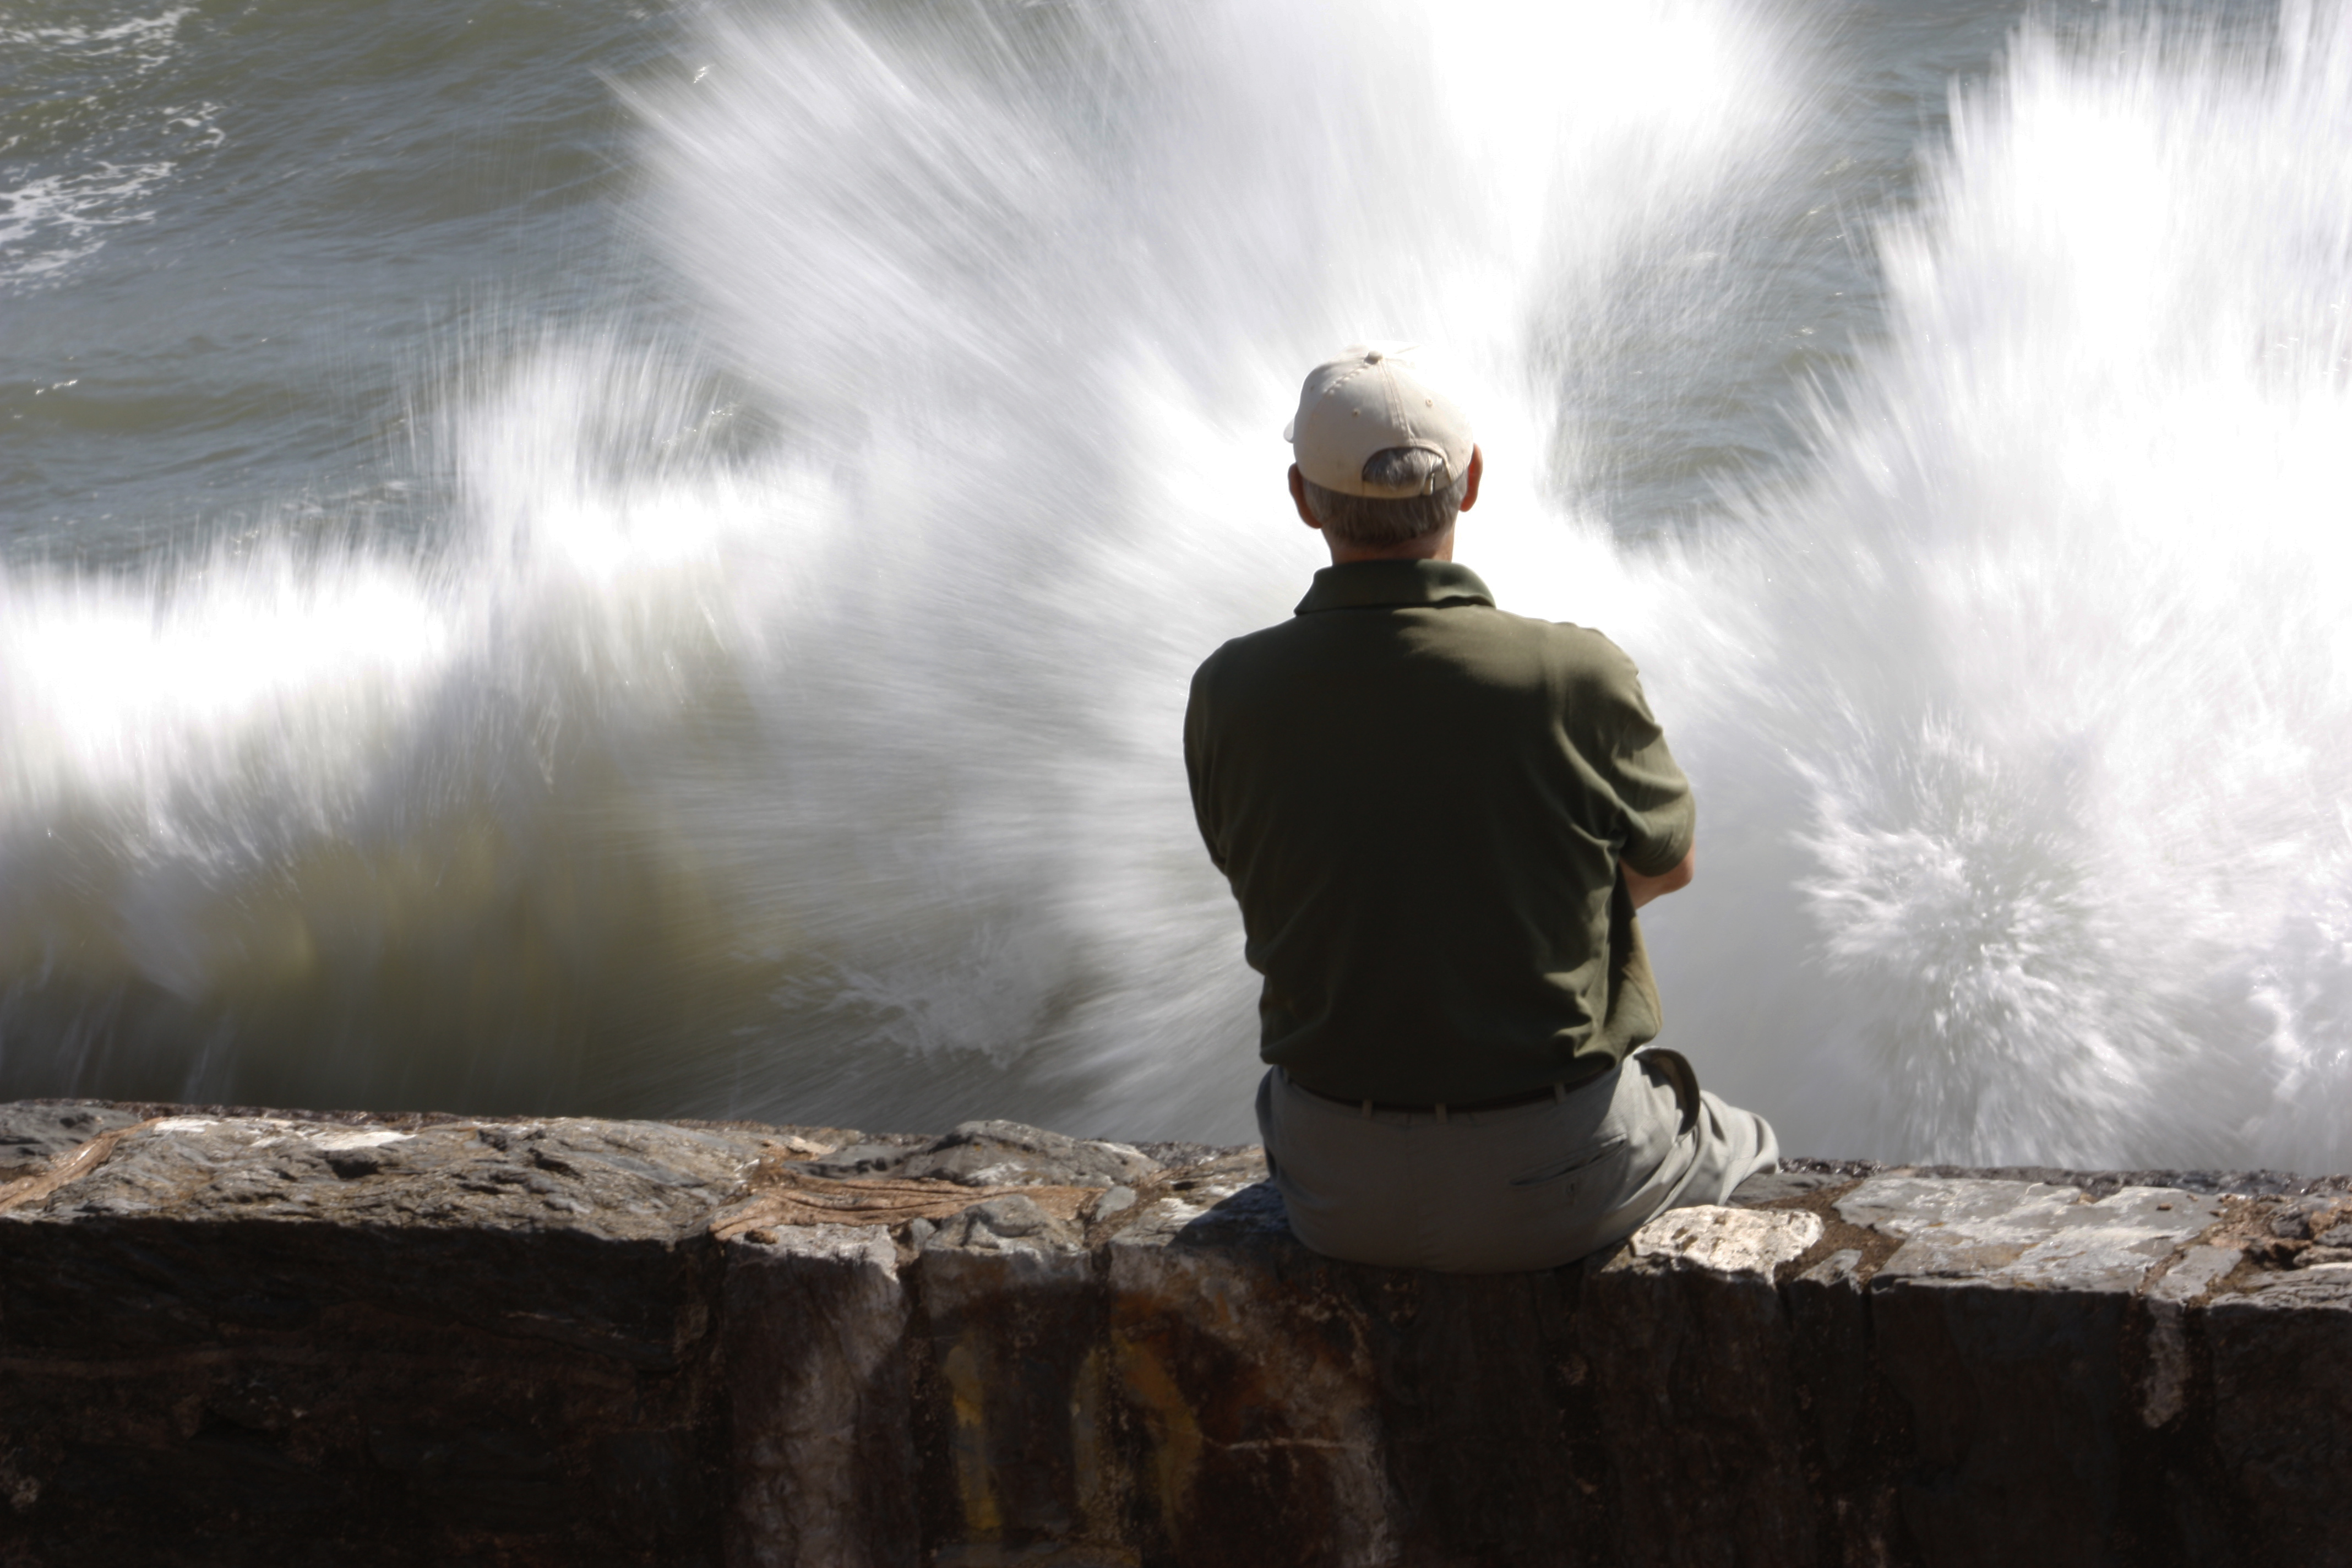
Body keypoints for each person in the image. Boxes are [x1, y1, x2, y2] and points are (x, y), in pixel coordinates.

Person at [1183, 345, 1778, 1272]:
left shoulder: (1230, 690)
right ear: (1471, 483)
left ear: (1303, 497)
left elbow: (1261, 870)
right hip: (1558, 1171)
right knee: (1752, 1145)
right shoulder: (1574, 673)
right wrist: (1523, 902)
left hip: (1334, 1186)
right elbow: (1670, 865)